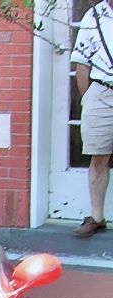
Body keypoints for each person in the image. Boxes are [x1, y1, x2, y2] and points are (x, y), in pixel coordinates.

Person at [71, 0, 113, 237]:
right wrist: (89, 98)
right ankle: (97, 217)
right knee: (99, 156)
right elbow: (82, 62)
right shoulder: (94, 16)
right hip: (102, 91)